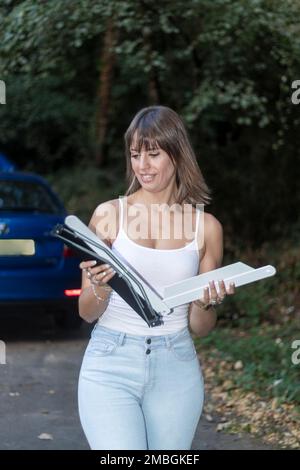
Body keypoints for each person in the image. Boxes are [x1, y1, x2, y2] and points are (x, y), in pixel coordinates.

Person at [77, 105, 235, 450]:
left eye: (153, 154)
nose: (142, 166)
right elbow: (86, 312)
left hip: (176, 365)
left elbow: (201, 326)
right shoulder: (108, 216)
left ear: (177, 155)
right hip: (110, 362)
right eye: (135, 155)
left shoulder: (206, 228)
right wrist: (100, 286)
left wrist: (205, 301)